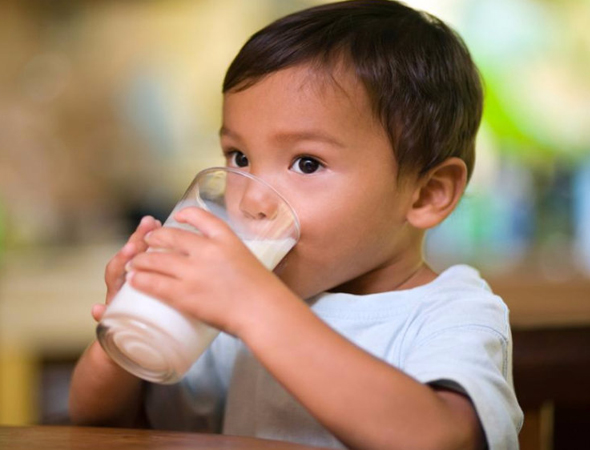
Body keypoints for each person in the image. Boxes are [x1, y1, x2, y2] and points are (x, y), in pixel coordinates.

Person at [69, 1, 523, 449]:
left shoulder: (450, 314)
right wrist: (126, 334)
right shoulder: (233, 311)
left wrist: (254, 307)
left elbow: (440, 438)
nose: (251, 198)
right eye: (239, 157)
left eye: (307, 163)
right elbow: (104, 420)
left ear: (427, 193)